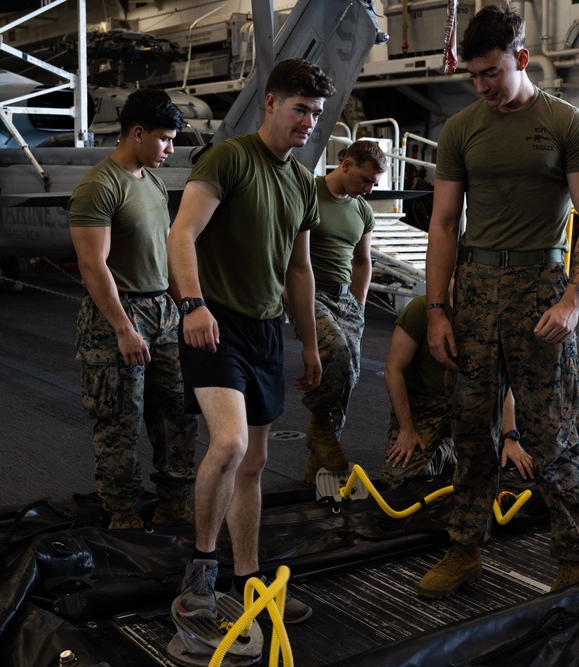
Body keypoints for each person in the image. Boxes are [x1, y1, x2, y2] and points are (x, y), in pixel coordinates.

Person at [419, 2, 579, 599]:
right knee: (470, 429)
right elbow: (444, 224)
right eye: (473, 76)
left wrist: (574, 299)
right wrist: (436, 309)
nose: (482, 87)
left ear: (522, 59)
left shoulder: (565, 123)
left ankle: (575, 558)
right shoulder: (461, 129)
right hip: (474, 291)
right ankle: (465, 551)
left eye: (492, 74)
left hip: (541, 291)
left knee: (549, 432)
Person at [167, 58, 335, 624]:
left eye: (315, 112)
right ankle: (200, 575)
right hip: (215, 325)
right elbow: (181, 233)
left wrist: (310, 345)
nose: (308, 121)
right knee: (231, 445)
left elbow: (300, 271)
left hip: (266, 330)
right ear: (270, 102)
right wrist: (192, 304)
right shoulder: (230, 158)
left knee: (255, 462)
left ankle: (248, 581)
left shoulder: (303, 183)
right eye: (299, 109)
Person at [68, 90, 198, 530]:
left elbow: (165, 254)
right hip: (118, 319)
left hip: (163, 313)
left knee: (179, 413)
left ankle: (174, 503)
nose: (170, 149)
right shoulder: (98, 187)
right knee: (120, 421)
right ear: (137, 133)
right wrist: (123, 329)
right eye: (164, 139)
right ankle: (123, 514)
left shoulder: (153, 182)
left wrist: (189, 309)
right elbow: (92, 264)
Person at [296, 139, 386, 483]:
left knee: (349, 373)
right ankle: (321, 430)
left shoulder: (363, 210)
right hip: (311, 293)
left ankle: (317, 462)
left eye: (373, 184)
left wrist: (359, 304)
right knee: (336, 351)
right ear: (345, 164)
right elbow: (287, 250)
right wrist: (290, 293)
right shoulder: (309, 194)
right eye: (364, 180)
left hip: (346, 298)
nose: (367, 189)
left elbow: (362, 262)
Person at [382, 295, 529, 490]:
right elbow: (393, 370)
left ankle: (456, 448)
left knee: (498, 472)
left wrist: (510, 438)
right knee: (397, 483)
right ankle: (445, 450)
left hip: (472, 400)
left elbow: (503, 381)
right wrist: (406, 430)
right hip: (426, 404)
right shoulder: (420, 309)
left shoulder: (492, 312)